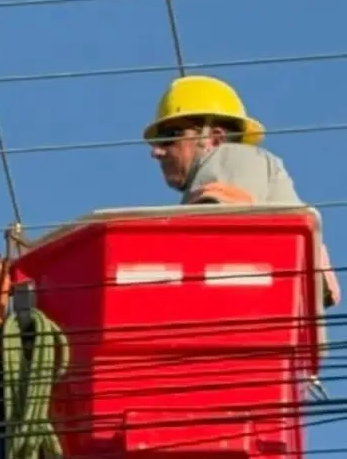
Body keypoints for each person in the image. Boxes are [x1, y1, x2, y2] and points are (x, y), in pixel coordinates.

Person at [144, 75, 339, 308]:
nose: (156, 152)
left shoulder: (232, 157)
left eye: (169, 137)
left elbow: (204, 232)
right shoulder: (253, 172)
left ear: (214, 139)